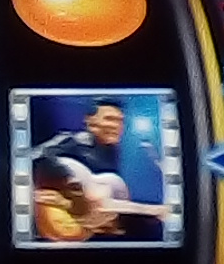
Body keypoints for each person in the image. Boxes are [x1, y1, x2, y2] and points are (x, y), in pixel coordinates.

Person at [32, 98, 172, 242]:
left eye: (119, 121)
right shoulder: (72, 141)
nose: (115, 125)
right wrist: (68, 187)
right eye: (109, 119)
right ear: (90, 122)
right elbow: (33, 158)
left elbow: (101, 202)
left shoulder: (112, 154)